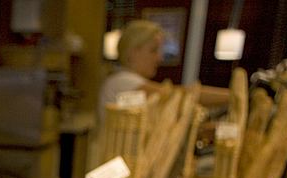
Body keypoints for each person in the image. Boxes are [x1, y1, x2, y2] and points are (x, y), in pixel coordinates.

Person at [97, 19, 230, 126]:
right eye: (153, 50)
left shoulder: (124, 80)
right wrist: (232, 96)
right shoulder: (121, 81)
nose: (159, 58)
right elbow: (175, 96)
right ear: (132, 52)